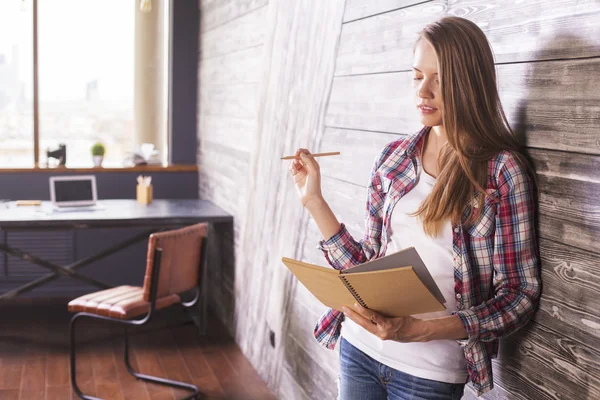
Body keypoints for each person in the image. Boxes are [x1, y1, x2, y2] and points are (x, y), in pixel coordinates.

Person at [288, 16, 541, 400]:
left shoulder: (501, 171)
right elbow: (368, 265)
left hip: (430, 371)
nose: (424, 90)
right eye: (417, 75)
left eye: (439, 79)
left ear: (468, 83)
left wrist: (421, 331)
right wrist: (314, 201)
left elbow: (519, 295)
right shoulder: (394, 158)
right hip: (359, 348)